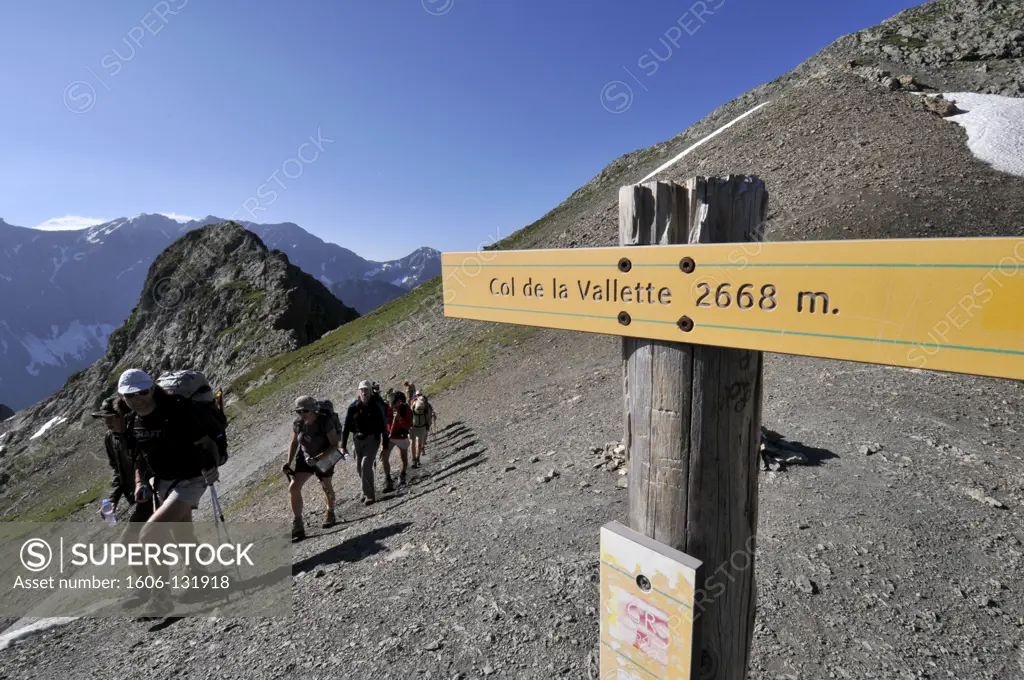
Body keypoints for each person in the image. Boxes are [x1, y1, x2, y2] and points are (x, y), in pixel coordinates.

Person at [119, 368, 221, 617]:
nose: (138, 399)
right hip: (163, 482)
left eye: (143, 392)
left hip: (191, 479)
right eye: (130, 395)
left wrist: (212, 468)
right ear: (122, 397)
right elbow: (141, 457)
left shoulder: (177, 412)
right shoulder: (133, 421)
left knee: (150, 533)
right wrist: (139, 482)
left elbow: (206, 444)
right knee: (181, 534)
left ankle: (161, 599)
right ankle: (200, 576)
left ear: (153, 389)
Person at [284, 395, 342, 539]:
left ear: (312, 410)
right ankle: (298, 524)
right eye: (299, 411)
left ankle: (330, 511)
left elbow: (335, 445)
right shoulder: (298, 423)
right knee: (293, 487)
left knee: (326, 486)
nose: (301, 414)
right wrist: (288, 462)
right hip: (305, 457)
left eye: (305, 411)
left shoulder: (325, 421)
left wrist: (318, 458)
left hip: (326, 456)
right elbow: (294, 443)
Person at [342, 380, 388, 505]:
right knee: (359, 468)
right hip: (357, 440)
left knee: (365, 465)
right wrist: (343, 445)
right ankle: (365, 489)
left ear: (370, 391)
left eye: (366, 390)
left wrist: (385, 447)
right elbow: (346, 426)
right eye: (362, 390)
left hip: (373, 439)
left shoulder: (377, 406)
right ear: (359, 392)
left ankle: (369, 495)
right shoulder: (353, 407)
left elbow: (384, 426)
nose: (364, 392)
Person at [383, 391, 413, 488]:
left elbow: (408, 425)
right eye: (390, 404)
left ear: (397, 402)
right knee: (384, 457)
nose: (392, 407)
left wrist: (400, 419)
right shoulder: (386, 408)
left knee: (403, 457)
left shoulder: (404, 408)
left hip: (401, 436)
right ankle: (388, 479)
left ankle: (402, 476)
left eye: (393, 404)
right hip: (389, 437)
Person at [409, 391, 434, 468]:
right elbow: (428, 417)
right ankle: (417, 459)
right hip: (421, 426)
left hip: (413, 426)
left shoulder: (413, 404)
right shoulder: (426, 406)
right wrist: (428, 425)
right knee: (418, 444)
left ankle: (414, 460)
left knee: (413, 443)